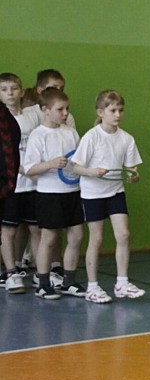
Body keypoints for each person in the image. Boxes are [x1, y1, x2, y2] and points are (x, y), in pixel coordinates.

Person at [71, 90, 146, 303]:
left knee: (123, 234)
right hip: (93, 194)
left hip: (115, 192)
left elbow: (132, 169)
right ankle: (92, 286)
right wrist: (91, 172)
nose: (118, 115)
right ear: (100, 112)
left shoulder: (127, 139)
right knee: (96, 238)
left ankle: (122, 283)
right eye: (113, 110)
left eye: (120, 110)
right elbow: (76, 167)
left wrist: (133, 176)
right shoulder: (92, 137)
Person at [22, 88, 85, 299]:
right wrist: (50, 164)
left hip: (73, 192)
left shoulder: (71, 133)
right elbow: (30, 168)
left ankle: (69, 281)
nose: (65, 113)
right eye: (60, 109)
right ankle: (42, 283)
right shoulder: (37, 136)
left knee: (76, 236)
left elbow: (78, 160)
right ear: (45, 110)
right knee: (48, 238)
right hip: (49, 194)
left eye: (67, 108)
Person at [0, 73, 35, 294]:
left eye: (14, 88)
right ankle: (10, 272)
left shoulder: (33, 116)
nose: (10, 94)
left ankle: (30, 268)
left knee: (32, 227)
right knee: (8, 229)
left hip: (33, 184)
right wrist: (21, 170)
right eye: (4, 89)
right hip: (11, 184)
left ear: (22, 91)